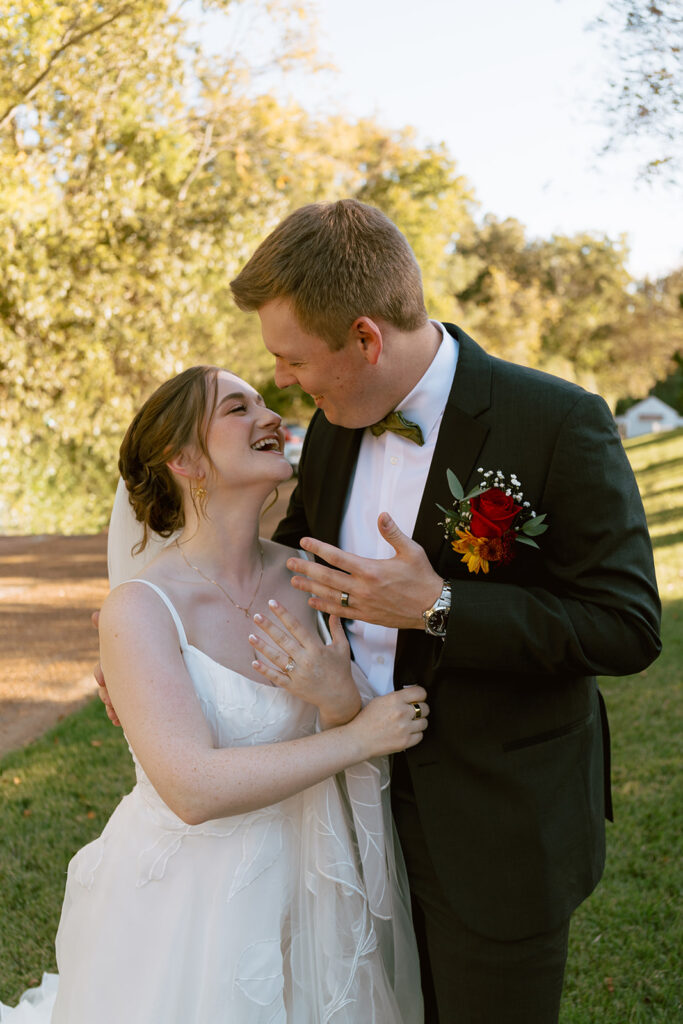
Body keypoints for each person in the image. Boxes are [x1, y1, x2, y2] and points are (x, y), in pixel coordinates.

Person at [225, 199, 662, 1023]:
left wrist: (443, 606)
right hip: (349, 813)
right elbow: (282, 566)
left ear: (365, 339)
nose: (280, 379)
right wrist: (163, 646)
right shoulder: (331, 427)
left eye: (291, 358)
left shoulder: (558, 422)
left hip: (496, 823)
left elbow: (627, 624)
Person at [0, 365, 427, 1023]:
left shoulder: (305, 580)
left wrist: (340, 700)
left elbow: (341, 721)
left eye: (263, 403)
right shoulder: (141, 610)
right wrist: (356, 735)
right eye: (237, 409)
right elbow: (192, 787)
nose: (269, 418)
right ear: (185, 460)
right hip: (192, 908)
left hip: (311, 881)